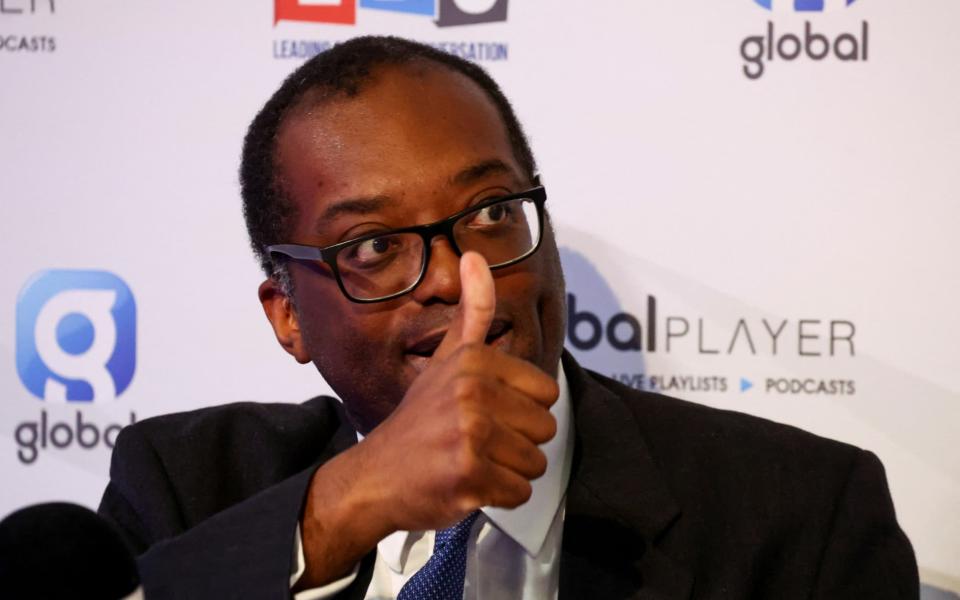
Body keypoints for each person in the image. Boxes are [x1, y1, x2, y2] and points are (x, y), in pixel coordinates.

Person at [98, 36, 919, 599]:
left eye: (492, 211)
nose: (462, 277)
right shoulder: (187, 487)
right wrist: (342, 508)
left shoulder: (797, 515)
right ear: (289, 316)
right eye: (377, 246)